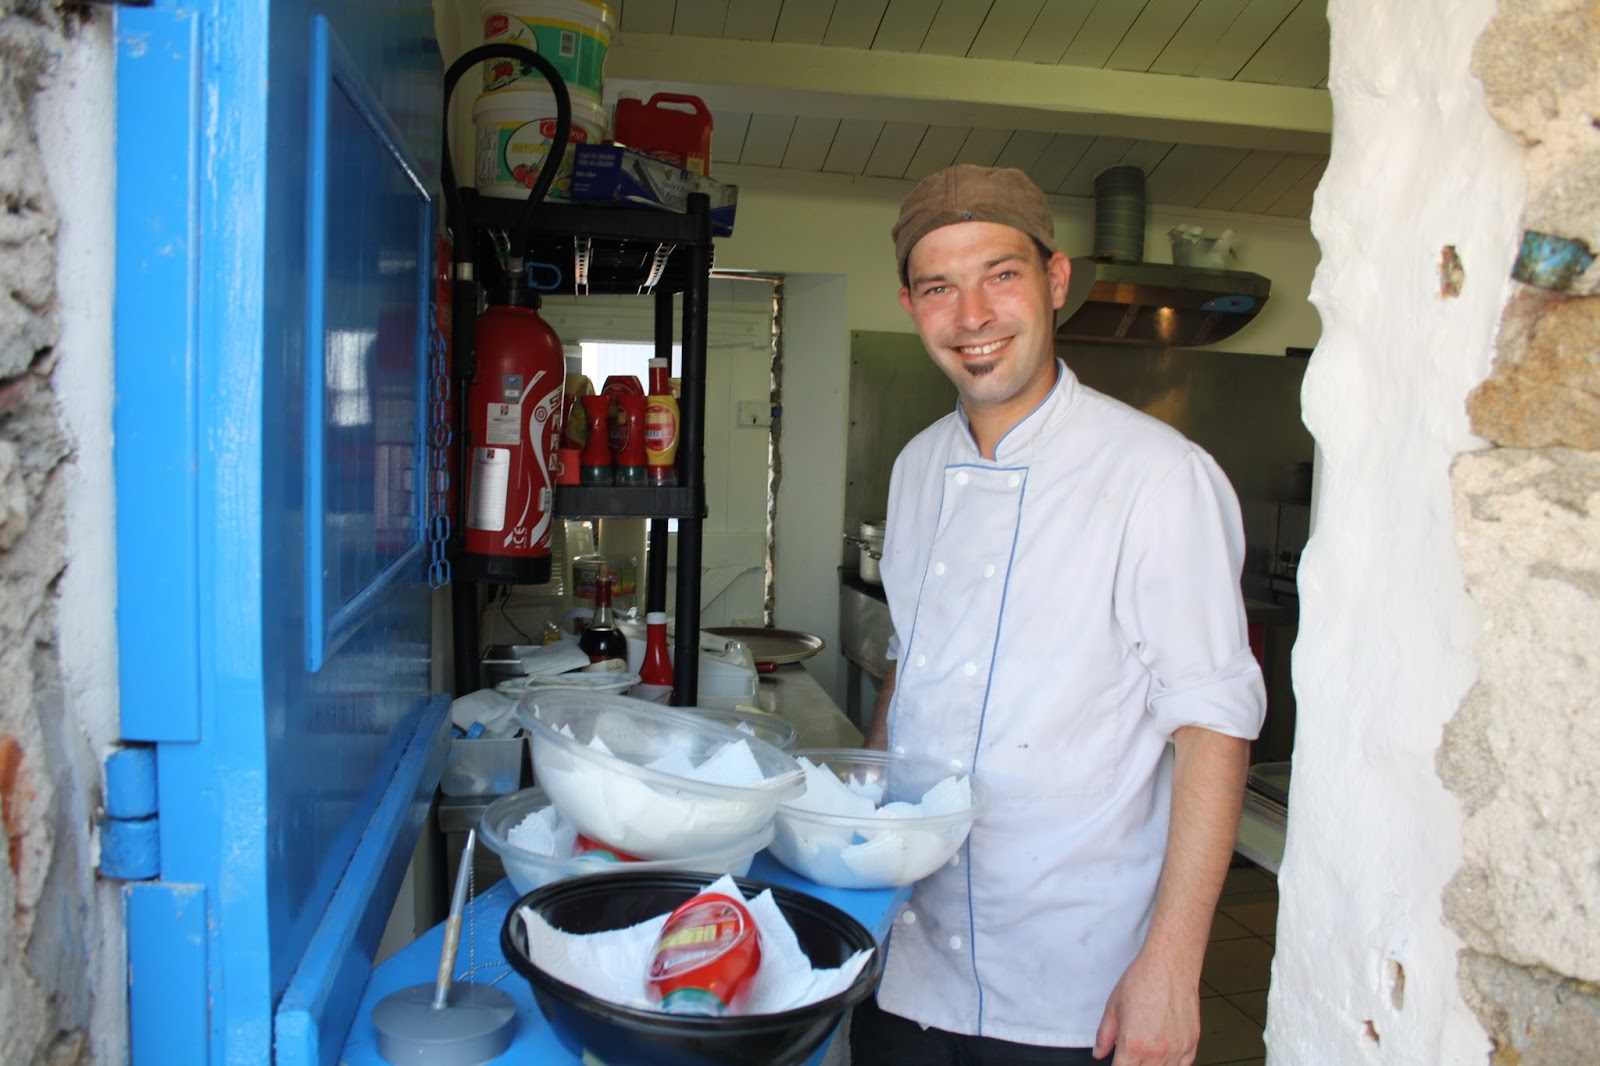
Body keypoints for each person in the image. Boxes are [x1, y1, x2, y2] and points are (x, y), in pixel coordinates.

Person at [849, 164, 1267, 1066]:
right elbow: (911, 666)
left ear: (1057, 281)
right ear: (910, 303)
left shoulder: (1158, 476)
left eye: (1001, 274)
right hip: (907, 964)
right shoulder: (917, 468)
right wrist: (863, 841)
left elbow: (1213, 724)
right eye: (939, 287)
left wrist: (1172, 965)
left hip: (1073, 991)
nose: (973, 316)